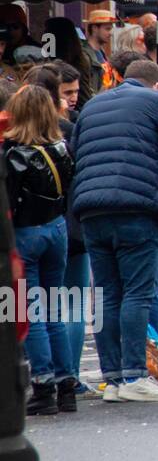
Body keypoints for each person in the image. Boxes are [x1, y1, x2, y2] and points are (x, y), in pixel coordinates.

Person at [72, 58, 158, 402]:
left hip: (91, 210)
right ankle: (134, 375)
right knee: (137, 292)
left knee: (107, 294)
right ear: (156, 85)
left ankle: (113, 379)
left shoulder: (92, 105)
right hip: (136, 207)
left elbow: (76, 150)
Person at [5, 85, 77, 414]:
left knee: (31, 311)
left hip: (27, 233)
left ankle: (44, 384)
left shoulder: (13, 153)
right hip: (57, 229)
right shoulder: (62, 148)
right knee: (54, 310)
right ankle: (66, 385)